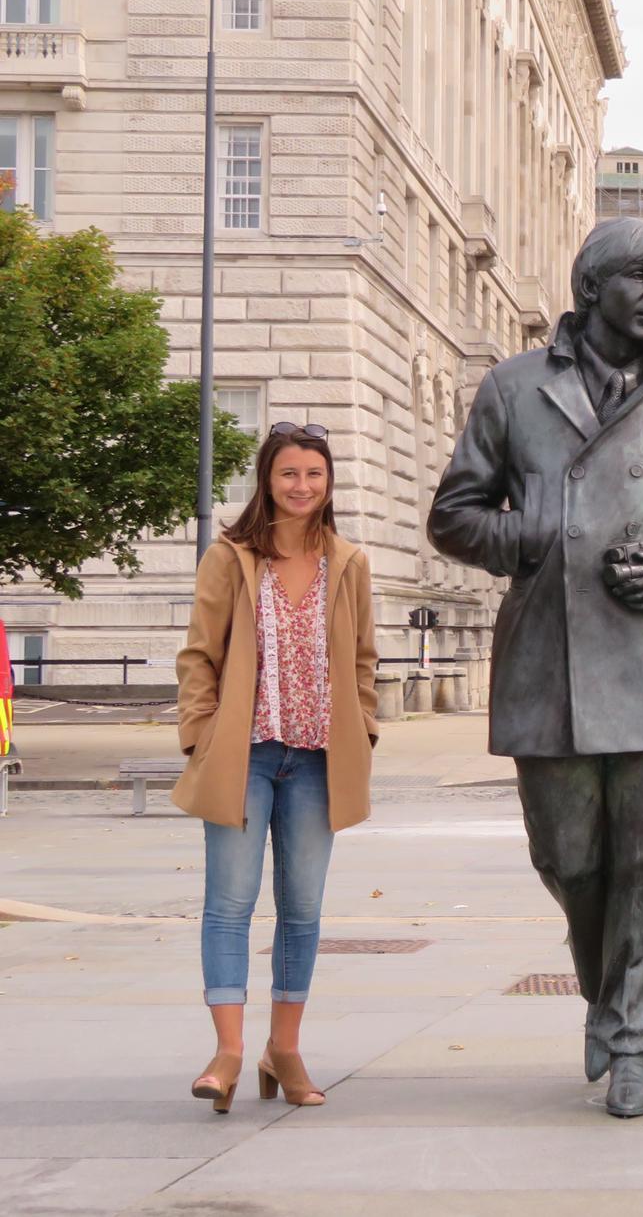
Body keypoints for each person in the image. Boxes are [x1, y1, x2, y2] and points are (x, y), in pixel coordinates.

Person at [428, 218, 643, 1119]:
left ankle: (635, 1039)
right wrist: (532, 535)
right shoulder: (513, 389)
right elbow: (454, 515)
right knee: (568, 857)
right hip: (550, 659)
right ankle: (604, 993)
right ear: (592, 286)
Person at [174, 423, 379, 1113]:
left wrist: (366, 731)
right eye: (288, 474)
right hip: (245, 757)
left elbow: (362, 662)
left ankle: (282, 1049)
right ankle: (228, 1053)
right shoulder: (230, 558)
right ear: (267, 480)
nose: (302, 487)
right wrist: (200, 740)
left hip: (319, 760)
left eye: (314, 475)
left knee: (302, 911)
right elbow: (200, 657)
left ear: (328, 483)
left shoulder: (348, 562)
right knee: (229, 906)